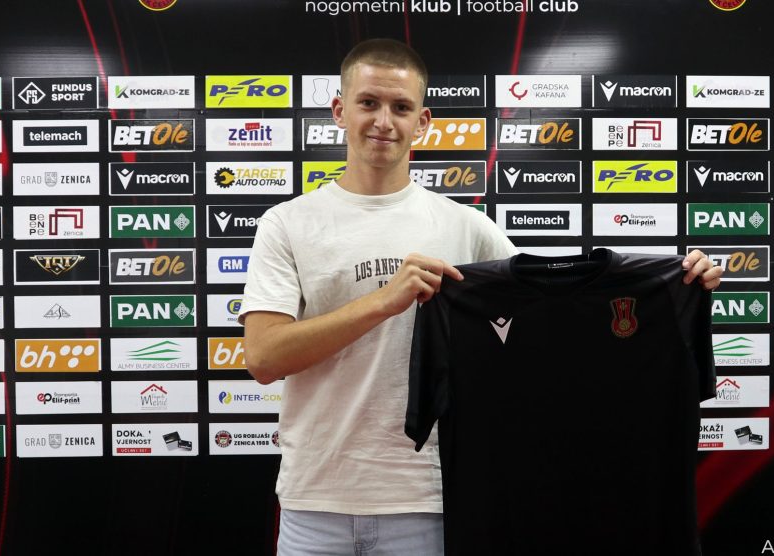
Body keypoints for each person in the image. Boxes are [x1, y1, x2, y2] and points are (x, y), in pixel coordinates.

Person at [239, 38, 722, 555]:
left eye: (401, 107)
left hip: (428, 503)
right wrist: (384, 301)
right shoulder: (287, 224)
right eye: (368, 103)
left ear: (422, 122)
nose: (383, 121)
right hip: (314, 505)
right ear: (340, 110)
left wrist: (676, 284)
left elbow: (556, 308)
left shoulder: (466, 228)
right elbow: (264, 358)